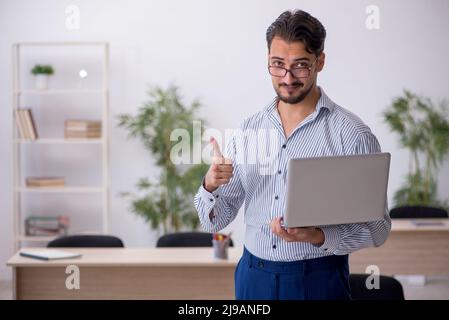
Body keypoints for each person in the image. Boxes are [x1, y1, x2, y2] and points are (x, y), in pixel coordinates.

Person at [194, 9, 391, 300]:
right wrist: (210, 185)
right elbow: (213, 221)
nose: (287, 77)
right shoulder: (248, 130)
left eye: (300, 65)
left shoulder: (352, 135)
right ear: (268, 61)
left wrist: (318, 236)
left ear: (320, 61)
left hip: (318, 279)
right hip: (253, 276)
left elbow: (377, 229)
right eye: (277, 64)